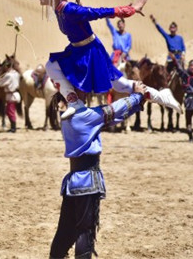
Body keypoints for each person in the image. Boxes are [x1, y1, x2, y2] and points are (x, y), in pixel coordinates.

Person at [40, 0, 180, 119]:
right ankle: (73, 101)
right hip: (76, 51)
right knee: (51, 65)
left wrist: (129, 10)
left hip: (91, 52)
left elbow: (99, 12)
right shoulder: (59, 9)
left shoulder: (70, 9)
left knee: (121, 85)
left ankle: (162, 96)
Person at [49, 82, 147, 259]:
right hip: (87, 181)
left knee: (65, 231)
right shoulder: (86, 116)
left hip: (74, 181)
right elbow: (113, 110)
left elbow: (112, 117)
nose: (85, 91)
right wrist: (137, 96)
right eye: (80, 89)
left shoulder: (67, 116)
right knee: (85, 233)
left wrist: (138, 104)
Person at [0, 60, 21, 133]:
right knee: (9, 111)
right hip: (14, 94)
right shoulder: (16, 74)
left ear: (7, 67)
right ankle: (13, 127)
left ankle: (13, 128)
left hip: (11, 95)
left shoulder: (8, 75)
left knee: (11, 112)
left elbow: (1, 84)